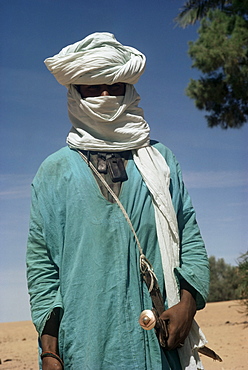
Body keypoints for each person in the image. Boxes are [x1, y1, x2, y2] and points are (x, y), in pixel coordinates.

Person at [26, 32, 209, 370]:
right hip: (84, 344)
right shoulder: (53, 171)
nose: (105, 94)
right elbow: (42, 267)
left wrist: (187, 304)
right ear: (76, 93)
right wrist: (50, 350)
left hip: (159, 341)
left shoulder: (161, 160)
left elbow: (190, 236)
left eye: (114, 85)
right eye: (93, 87)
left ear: (129, 89)